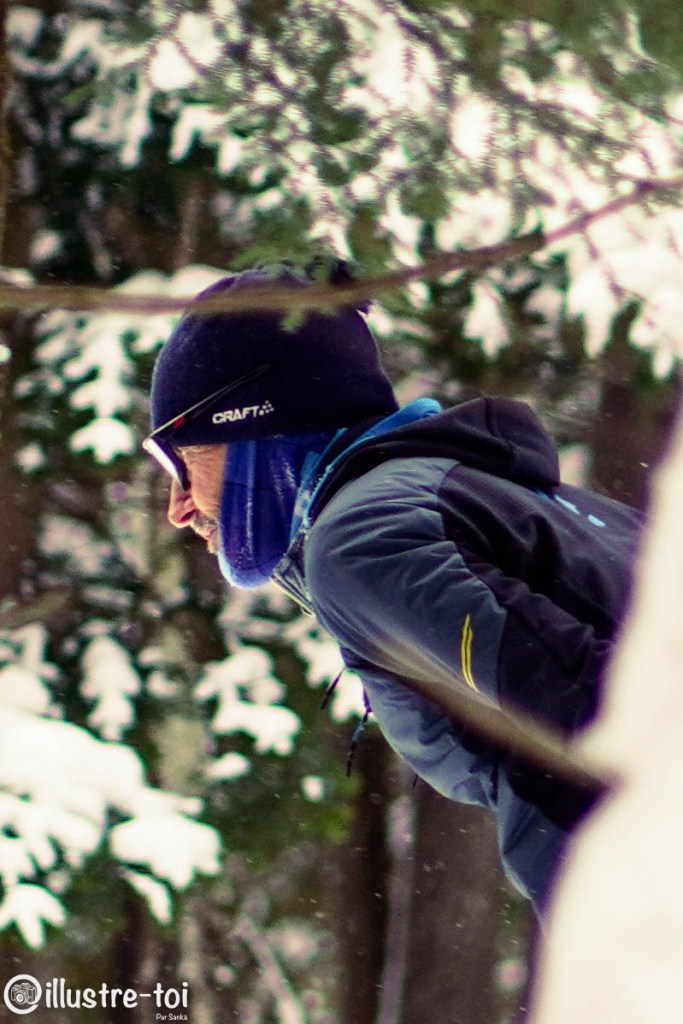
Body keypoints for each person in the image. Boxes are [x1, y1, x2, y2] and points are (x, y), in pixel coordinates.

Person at [143, 265, 643, 916]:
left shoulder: (362, 540)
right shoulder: (499, 495)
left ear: (251, 422)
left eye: (178, 458)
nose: (178, 507)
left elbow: (605, 725)